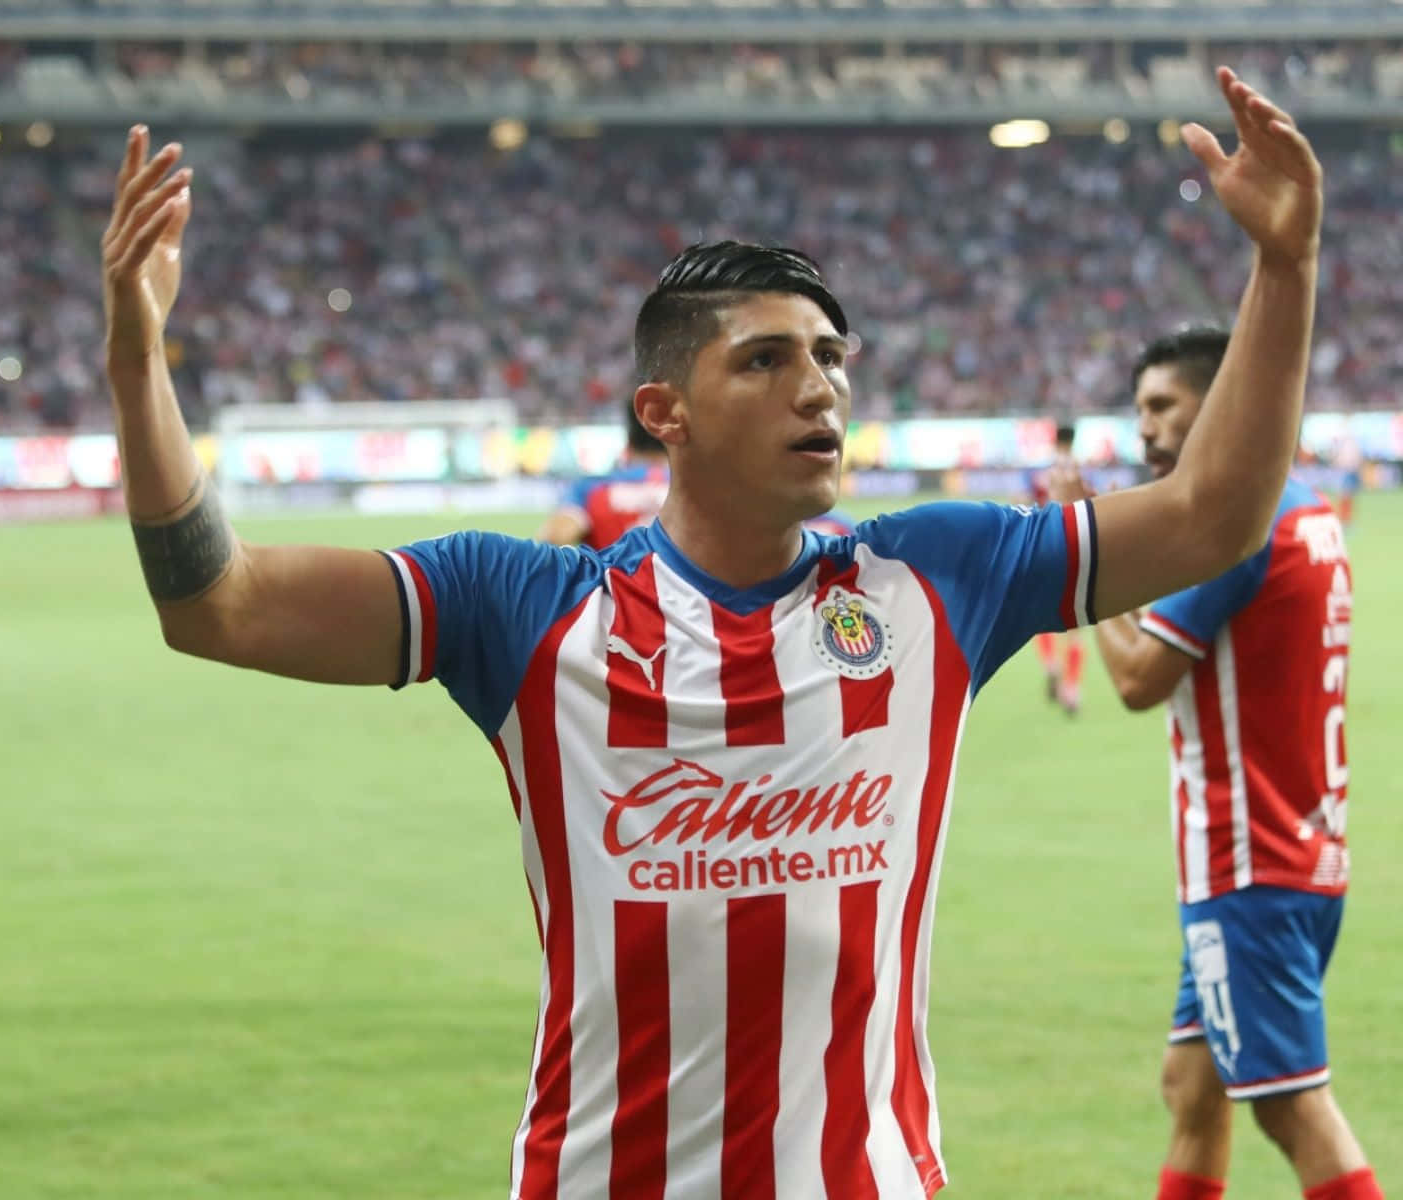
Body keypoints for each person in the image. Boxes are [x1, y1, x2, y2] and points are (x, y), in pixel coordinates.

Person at [101, 67, 1324, 1197]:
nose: (819, 386)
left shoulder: (935, 576)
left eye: (831, 356)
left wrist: (1284, 264)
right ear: (664, 411)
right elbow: (220, 604)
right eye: (766, 360)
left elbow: (1212, 513)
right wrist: (137, 355)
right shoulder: (523, 609)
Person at [1049, 327, 1382, 1200]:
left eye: (1164, 405)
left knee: (1290, 1107)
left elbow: (1137, 680)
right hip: (1303, 847)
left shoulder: (1237, 525)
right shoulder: (1306, 510)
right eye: (1140, 409)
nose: (1146, 428)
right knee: (1193, 1089)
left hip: (1248, 861)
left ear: (1222, 400)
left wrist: (1076, 545)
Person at [537, 398, 855, 549]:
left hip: (619, 621)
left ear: (628, 444)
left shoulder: (592, 490)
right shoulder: (706, 485)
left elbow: (554, 539)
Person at [1028, 421, 1086, 714]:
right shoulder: (1078, 472)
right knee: (1075, 627)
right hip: (1074, 551)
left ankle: (1050, 663)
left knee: (1042, 617)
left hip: (1045, 549)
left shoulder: (1044, 472)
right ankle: (1071, 689)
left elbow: (1030, 506)